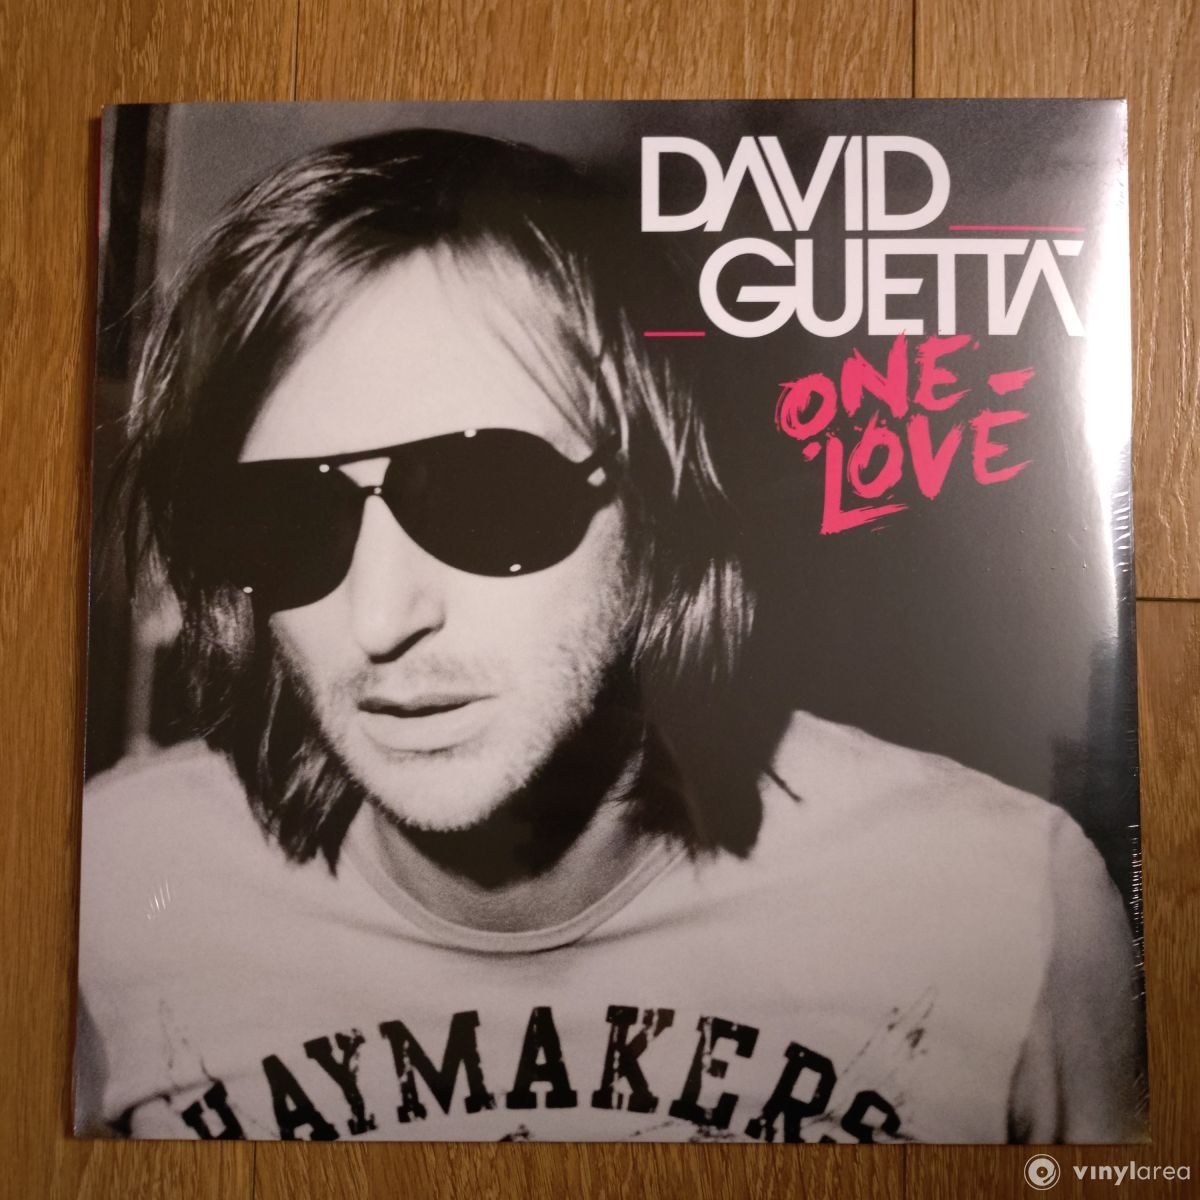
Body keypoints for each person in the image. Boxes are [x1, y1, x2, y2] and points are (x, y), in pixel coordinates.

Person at [76, 128, 1144, 1144]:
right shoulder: (111, 887)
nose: (381, 619)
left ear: (661, 503)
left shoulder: (1004, 908)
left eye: (489, 496)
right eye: (291, 519)